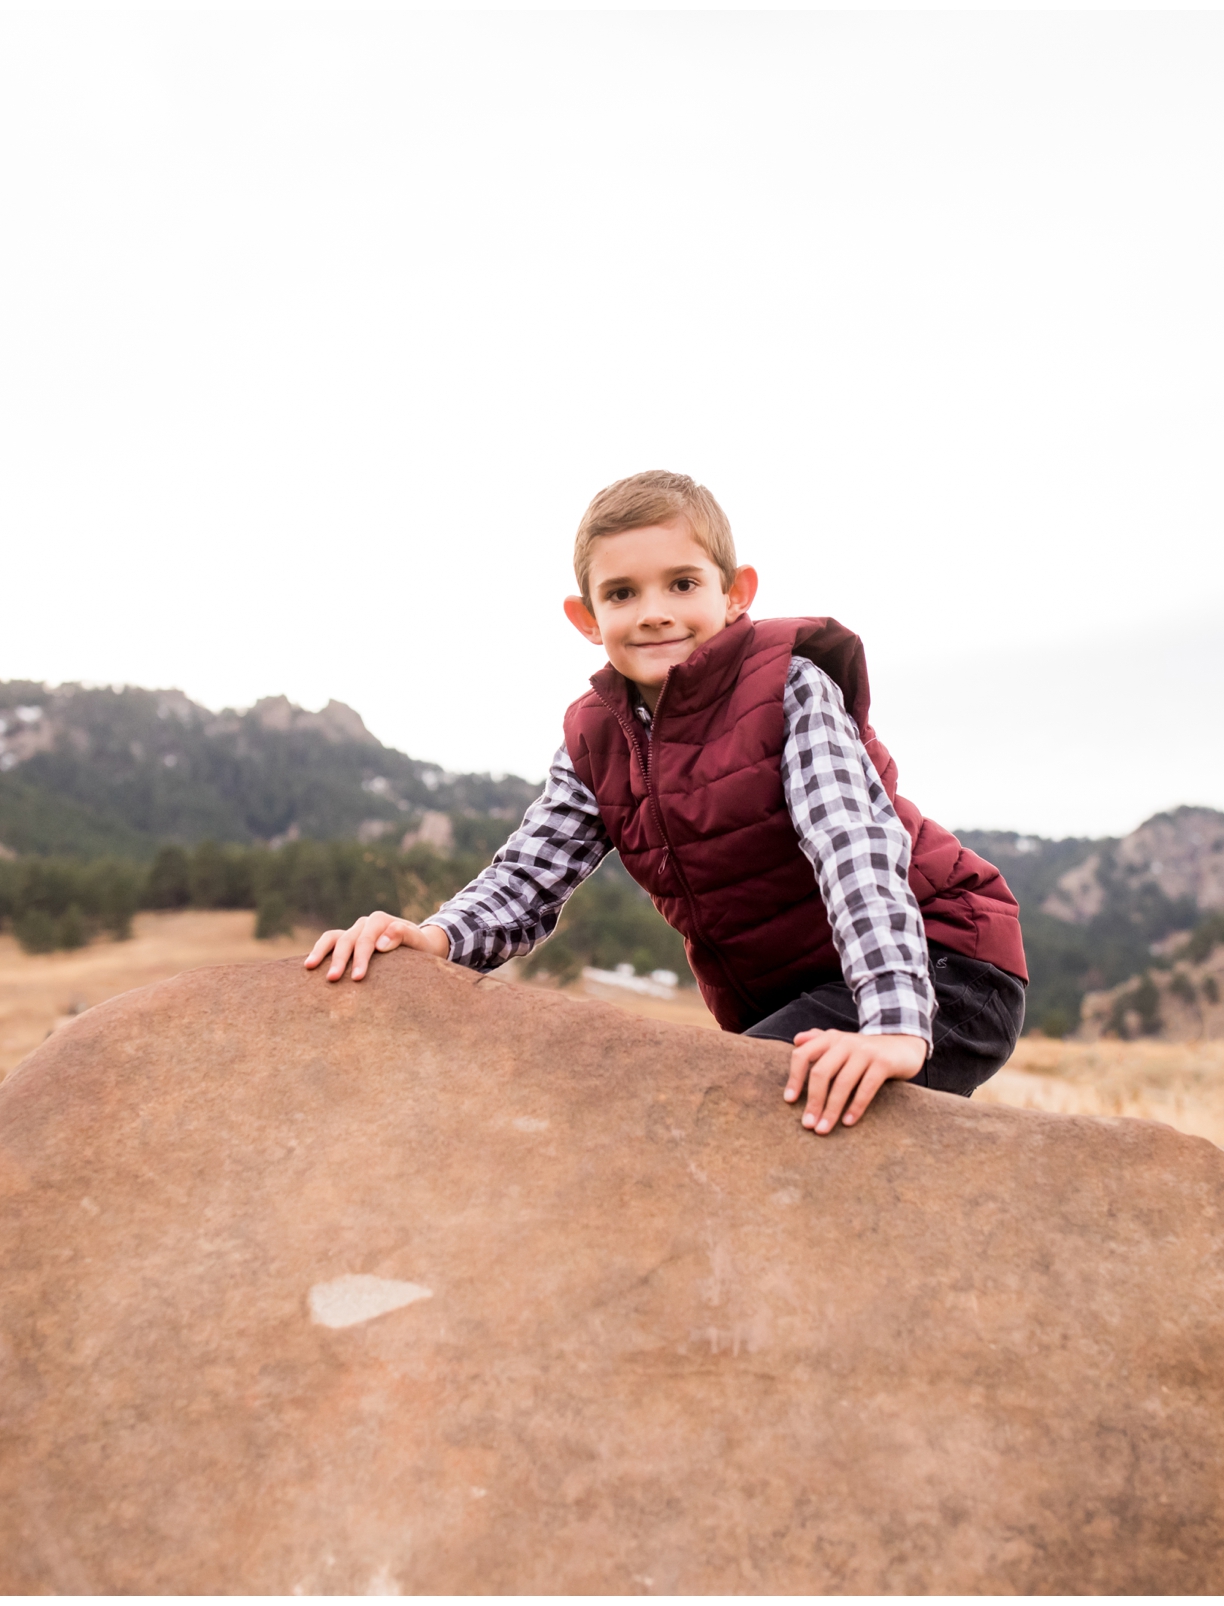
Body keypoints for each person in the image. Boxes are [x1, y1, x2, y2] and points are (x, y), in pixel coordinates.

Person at [305, 469, 1028, 1135]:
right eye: (622, 593)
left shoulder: (789, 689)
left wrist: (897, 1020)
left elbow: (851, 847)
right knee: (704, 1116)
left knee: (719, 1123)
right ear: (586, 617)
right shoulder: (599, 737)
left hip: (940, 966)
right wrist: (434, 938)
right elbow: (529, 876)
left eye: (682, 584)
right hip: (811, 993)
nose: (655, 612)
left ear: (735, 592)